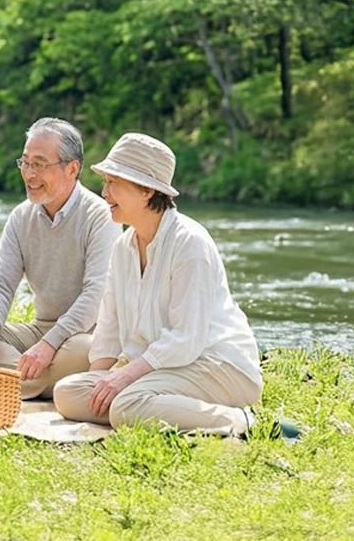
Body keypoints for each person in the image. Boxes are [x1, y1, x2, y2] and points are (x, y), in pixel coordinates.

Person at [53, 133, 263, 436]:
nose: (105, 193)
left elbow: (186, 339)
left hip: (217, 366)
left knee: (127, 405)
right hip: (161, 367)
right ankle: (151, 407)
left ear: (147, 191)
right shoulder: (123, 247)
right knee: (68, 393)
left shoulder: (189, 242)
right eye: (105, 183)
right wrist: (100, 381)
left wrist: (123, 378)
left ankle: (241, 421)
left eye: (115, 184)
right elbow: (109, 327)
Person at [0, 118, 121, 399]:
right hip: (38, 331)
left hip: (82, 336)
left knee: (85, 350)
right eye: (25, 162)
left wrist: (50, 344)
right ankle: (43, 386)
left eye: (40, 164)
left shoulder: (100, 216)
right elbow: (0, 284)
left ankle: (2, 384)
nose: (29, 173)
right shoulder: (21, 217)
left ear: (72, 169)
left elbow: (96, 296)